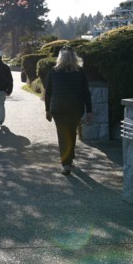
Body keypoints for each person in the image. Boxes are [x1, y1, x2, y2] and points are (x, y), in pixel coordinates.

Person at [44, 46, 92, 175]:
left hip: (58, 109)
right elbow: (86, 92)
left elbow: (48, 92)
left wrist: (47, 110)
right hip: (75, 108)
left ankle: (66, 163)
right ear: (74, 57)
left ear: (60, 57)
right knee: (71, 132)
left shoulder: (54, 71)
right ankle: (68, 159)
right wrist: (89, 111)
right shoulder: (80, 71)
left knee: (63, 135)